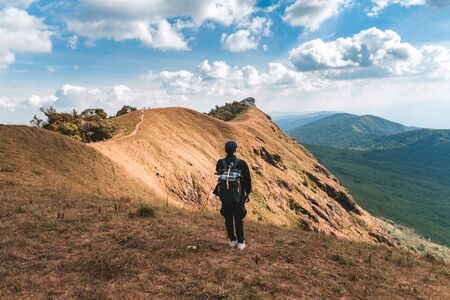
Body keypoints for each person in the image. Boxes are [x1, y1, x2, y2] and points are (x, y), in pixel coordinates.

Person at [215, 140, 252, 250]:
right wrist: (247, 193)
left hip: (225, 195)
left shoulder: (220, 162)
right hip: (238, 196)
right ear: (235, 150)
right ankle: (241, 242)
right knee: (238, 217)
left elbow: (219, 172)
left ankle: (232, 240)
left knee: (228, 217)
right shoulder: (242, 163)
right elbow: (247, 181)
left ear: (225, 150)